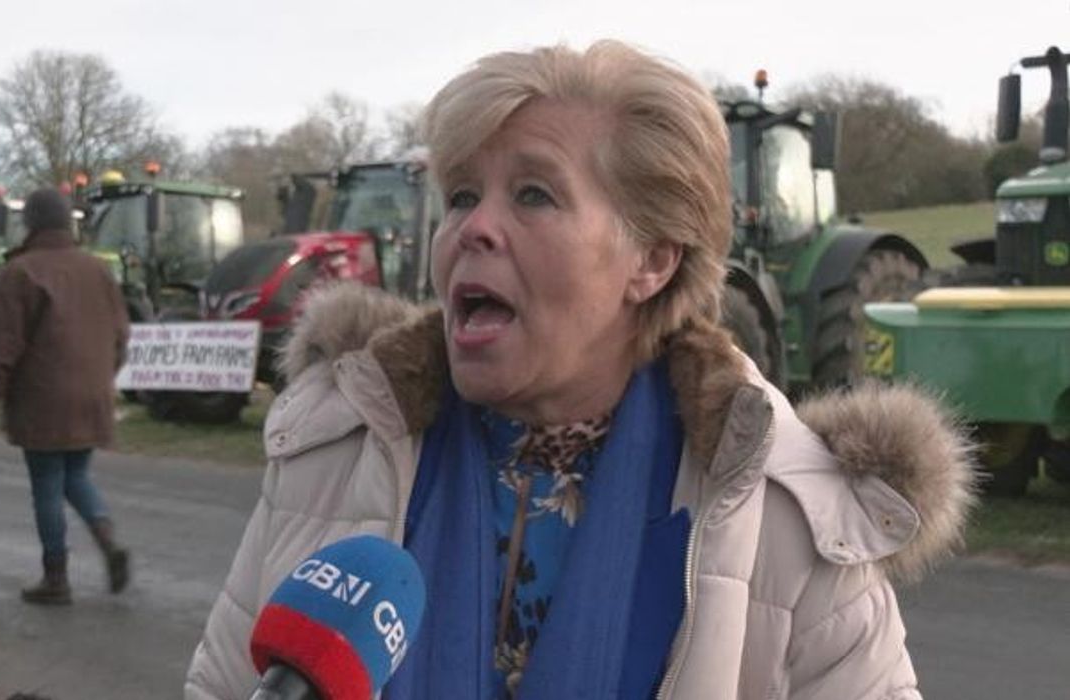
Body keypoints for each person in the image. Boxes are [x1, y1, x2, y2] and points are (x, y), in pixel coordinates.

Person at [185, 42, 977, 700]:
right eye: (461, 195)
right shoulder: (330, 451)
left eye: (532, 194)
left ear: (652, 260)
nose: (473, 229)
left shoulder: (789, 515)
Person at [0, 188, 131, 606]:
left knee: (46, 483)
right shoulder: (97, 270)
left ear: (32, 223)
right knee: (75, 475)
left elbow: (3, 343)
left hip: (42, 398)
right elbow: (121, 335)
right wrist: (101, 378)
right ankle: (108, 539)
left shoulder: (21, 272)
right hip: (92, 393)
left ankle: (55, 578)